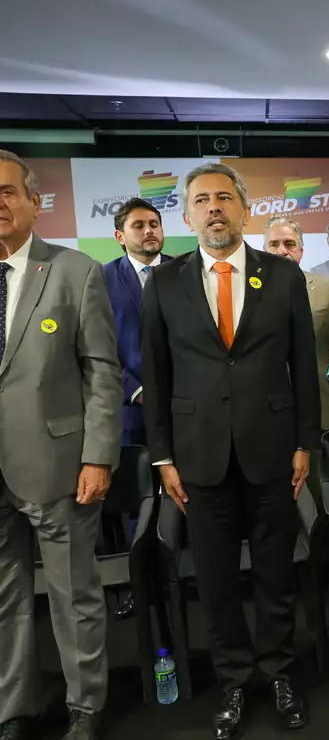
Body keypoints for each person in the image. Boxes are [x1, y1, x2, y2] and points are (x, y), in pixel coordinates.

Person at [141, 162, 319, 740]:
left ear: (245, 208)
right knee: (216, 579)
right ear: (187, 214)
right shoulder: (164, 283)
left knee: (275, 574)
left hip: (273, 453)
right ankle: (235, 681)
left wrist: (304, 443)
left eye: (224, 197)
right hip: (198, 458)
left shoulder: (283, 276)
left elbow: (303, 370)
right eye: (202, 200)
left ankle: (280, 674)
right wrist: (163, 457)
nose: (214, 207)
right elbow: (157, 376)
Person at [0, 149, 122, 740]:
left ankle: (86, 707)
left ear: (33, 202)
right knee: (5, 599)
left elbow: (103, 372)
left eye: (7, 192)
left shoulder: (75, 272)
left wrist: (98, 455)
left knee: (74, 593)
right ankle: (13, 712)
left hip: (58, 464)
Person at [101, 196, 172, 621]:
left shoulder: (184, 271)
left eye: (154, 223)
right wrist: (136, 390)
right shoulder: (101, 279)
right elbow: (98, 348)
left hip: (184, 409)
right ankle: (138, 583)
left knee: (184, 493)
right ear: (119, 236)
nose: (148, 231)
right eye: (139, 225)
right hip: (130, 412)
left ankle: (180, 573)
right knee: (136, 502)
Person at [264, 217, 329, 506]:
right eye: (273, 244)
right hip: (263, 414)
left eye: (289, 244)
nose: (281, 250)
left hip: (319, 410)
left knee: (319, 494)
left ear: (300, 250)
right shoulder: (246, 292)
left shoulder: (327, 288)